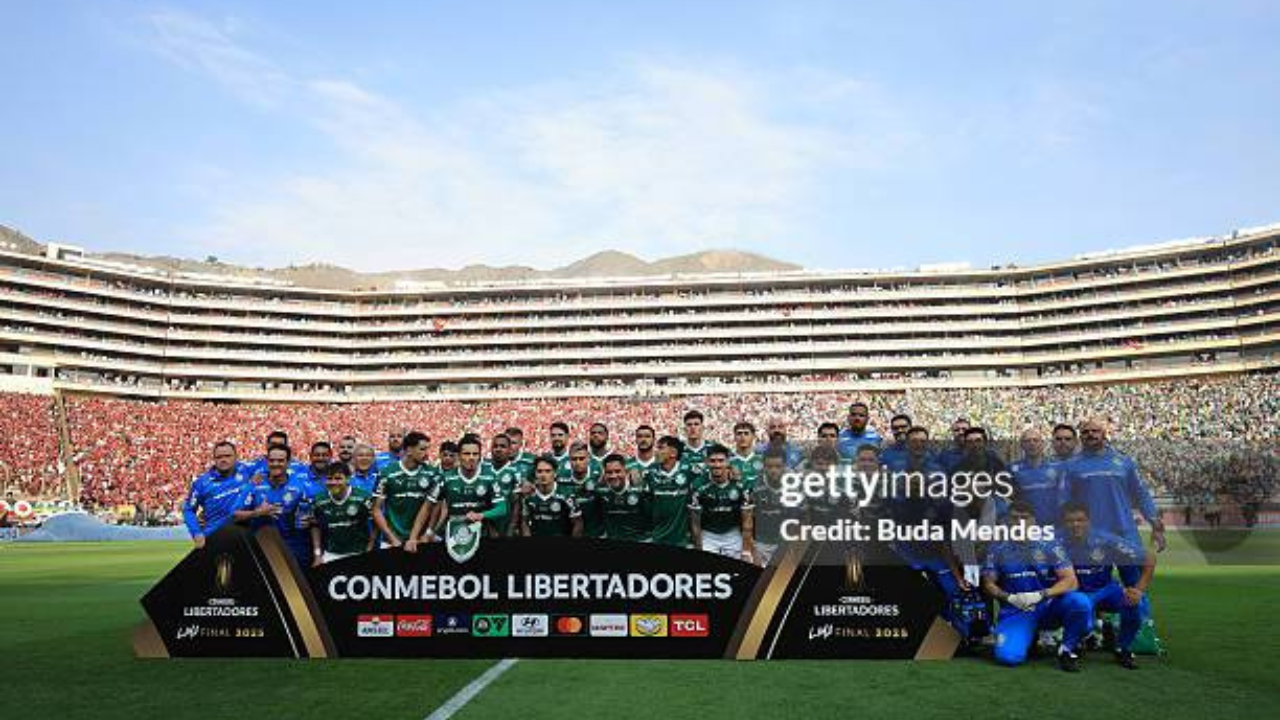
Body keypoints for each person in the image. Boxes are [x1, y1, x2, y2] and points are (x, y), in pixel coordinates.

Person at [981, 501, 1092, 671]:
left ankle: (1067, 649)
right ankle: (1026, 636)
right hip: (1017, 610)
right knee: (1008, 657)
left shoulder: (1049, 544)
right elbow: (989, 583)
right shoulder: (997, 547)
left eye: (1024, 518)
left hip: (1048, 606)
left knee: (1081, 603)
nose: (1019, 522)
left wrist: (1041, 594)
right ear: (1006, 521)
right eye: (1014, 518)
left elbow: (1071, 581)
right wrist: (1008, 597)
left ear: (1034, 520)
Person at [1061, 501, 1156, 669]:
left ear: (1089, 520)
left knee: (1136, 604)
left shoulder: (1106, 540)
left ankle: (1123, 648)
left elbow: (1149, 558)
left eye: (1080, 520)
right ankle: (1072, 646)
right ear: (1063, 522)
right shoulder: (1056, 542)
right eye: (1070, 521)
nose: (1075, 525)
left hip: (1106, 590)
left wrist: (1138, 590)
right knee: (1084, 622)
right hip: (1076, 595)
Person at [1062, 418, 1166, 552]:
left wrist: (1155, 525)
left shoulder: (1124, 462)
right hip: (1089, 534)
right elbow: (1064, 502)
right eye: (1085, 432)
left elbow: (1141, 494)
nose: (1090, 434)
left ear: (1104, 434)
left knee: (1137, 572)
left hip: (1125, 531)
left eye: (1095, 431)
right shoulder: (1070, 466)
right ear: (1080, 437)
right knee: (1094, 573)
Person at [238, 444, 314, 567]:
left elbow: (314, 518)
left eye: (280, 460)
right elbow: (235, 515)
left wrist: (312, 519)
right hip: (261, 549)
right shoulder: (255, 484)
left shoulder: (301, 487)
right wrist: (257, 513)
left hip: (293, 550)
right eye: (272, 460)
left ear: (288, 462)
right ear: (267, 461)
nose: (275, 464)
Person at [432, 434, 508, 537]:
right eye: (467, 454)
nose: (471, 457)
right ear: (458, 456)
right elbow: (429, 506)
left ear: (480, 456)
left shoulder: (490, 477)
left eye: (475, 454)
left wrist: (481, 515)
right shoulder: (446, 478)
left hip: (481, 534)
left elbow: (502, 508)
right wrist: (428, 532)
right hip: (454, 534)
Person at [373, 431, 437, 551]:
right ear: (408, 450)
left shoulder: (432, 473)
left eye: (427, 449)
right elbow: (376, 509)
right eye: (422, 449)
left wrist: (427, 533)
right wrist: (392, 538)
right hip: (392, 541)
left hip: (419, 540)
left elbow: (432, 506)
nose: (426, 454)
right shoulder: (387, 473)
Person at [689, 445, 755, 562]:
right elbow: (695, 523)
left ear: (728, 462)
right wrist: (698, 550)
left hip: (732, 533)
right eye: (713, 461)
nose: (717, 465)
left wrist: (746, 551)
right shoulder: (697, 485)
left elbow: (747, 521)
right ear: (706, 462)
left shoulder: (741, 484)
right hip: (708, 534)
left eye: (721, 461)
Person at [183, 441, 253, 549]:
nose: (223, 460)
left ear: (236, 457)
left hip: (244, 537)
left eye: (227, 456)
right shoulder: (202, 483)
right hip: (213, 539)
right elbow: (188, 509)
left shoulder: (247, 471)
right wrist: (196, 532)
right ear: (214, 459)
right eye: (219, 457)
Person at [309, 462, 374, 565]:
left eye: (338, 478)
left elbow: (375, 524)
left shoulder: (363, 497)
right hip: (331, 554)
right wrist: (317, 554)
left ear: (348, 479)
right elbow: (315, 526)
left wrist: (370, 549)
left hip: (358, 553)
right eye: (329, 478)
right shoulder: (319, 500)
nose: (333, 482)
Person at [645, 436, 699, 547]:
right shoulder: (650, 471)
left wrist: (731, 470)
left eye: (661, 448)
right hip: (658, 536)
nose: (656, 452)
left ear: (673, 453)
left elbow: (709, 477)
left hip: (682, 538)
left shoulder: (688, 469)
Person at [519, 455, 582, 537]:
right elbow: (525, 521)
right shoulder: (528, 496)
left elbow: (578, 523)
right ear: (535, 473)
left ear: (555, 473)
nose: (543, 475)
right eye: (539, 471)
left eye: (548, 471)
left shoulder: (567, 495)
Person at [1010, 427, 1062, 525]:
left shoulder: (1057, 467)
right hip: (1026, 526)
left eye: (1035, 440)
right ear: (1021, 445)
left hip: (1053, 526)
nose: (1032, 444)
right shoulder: (1012, 469)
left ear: (1042, 444)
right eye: (1027, 441)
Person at [595, 454, 651, 541]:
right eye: (609, 472)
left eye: (618, 471)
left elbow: (650, 518)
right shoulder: (600, 491)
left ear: (626, 471)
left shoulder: (640, 491)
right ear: (604, 474)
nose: (613, 476)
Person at [562, 441, 604, 537]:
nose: (578, 462)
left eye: (582, 458)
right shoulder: (561, 476)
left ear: (588, 458)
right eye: (574, 459)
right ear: (569, 460)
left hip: (596, 532)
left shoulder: (599, 474)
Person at [729, 421, 763, 490]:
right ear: (734, 437)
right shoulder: (727, 461)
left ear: (753, 436)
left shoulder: (763, 460)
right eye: (739, 433)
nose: (742, 436)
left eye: (746, 433)